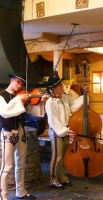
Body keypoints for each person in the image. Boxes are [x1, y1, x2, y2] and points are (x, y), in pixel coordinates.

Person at [0, 72, 48, 200]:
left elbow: (28, 112)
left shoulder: (20, 97)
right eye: (18, 82)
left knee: (21, 164)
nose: (20, 85)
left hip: (21, 131)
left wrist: (40, 102)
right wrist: (17, 100)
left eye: (22, 84)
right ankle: (2, 196)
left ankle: (20, 192)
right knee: (6, 166)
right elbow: (5, 112)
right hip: (8, 133)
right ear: (11, 80)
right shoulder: (2, 96)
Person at [45, 71, 87, 189]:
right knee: (57, 157)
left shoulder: (64, 97)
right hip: (57, 132)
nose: (62, 86)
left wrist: (85, 93)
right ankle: (53, 179)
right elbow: (54, 122)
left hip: (66, 131)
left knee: (63, 156)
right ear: (53, 89)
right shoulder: (50, 102)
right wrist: (66, 131)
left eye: (61, 84)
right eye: (59, 86)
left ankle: (62, 177)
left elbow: (75, 104)